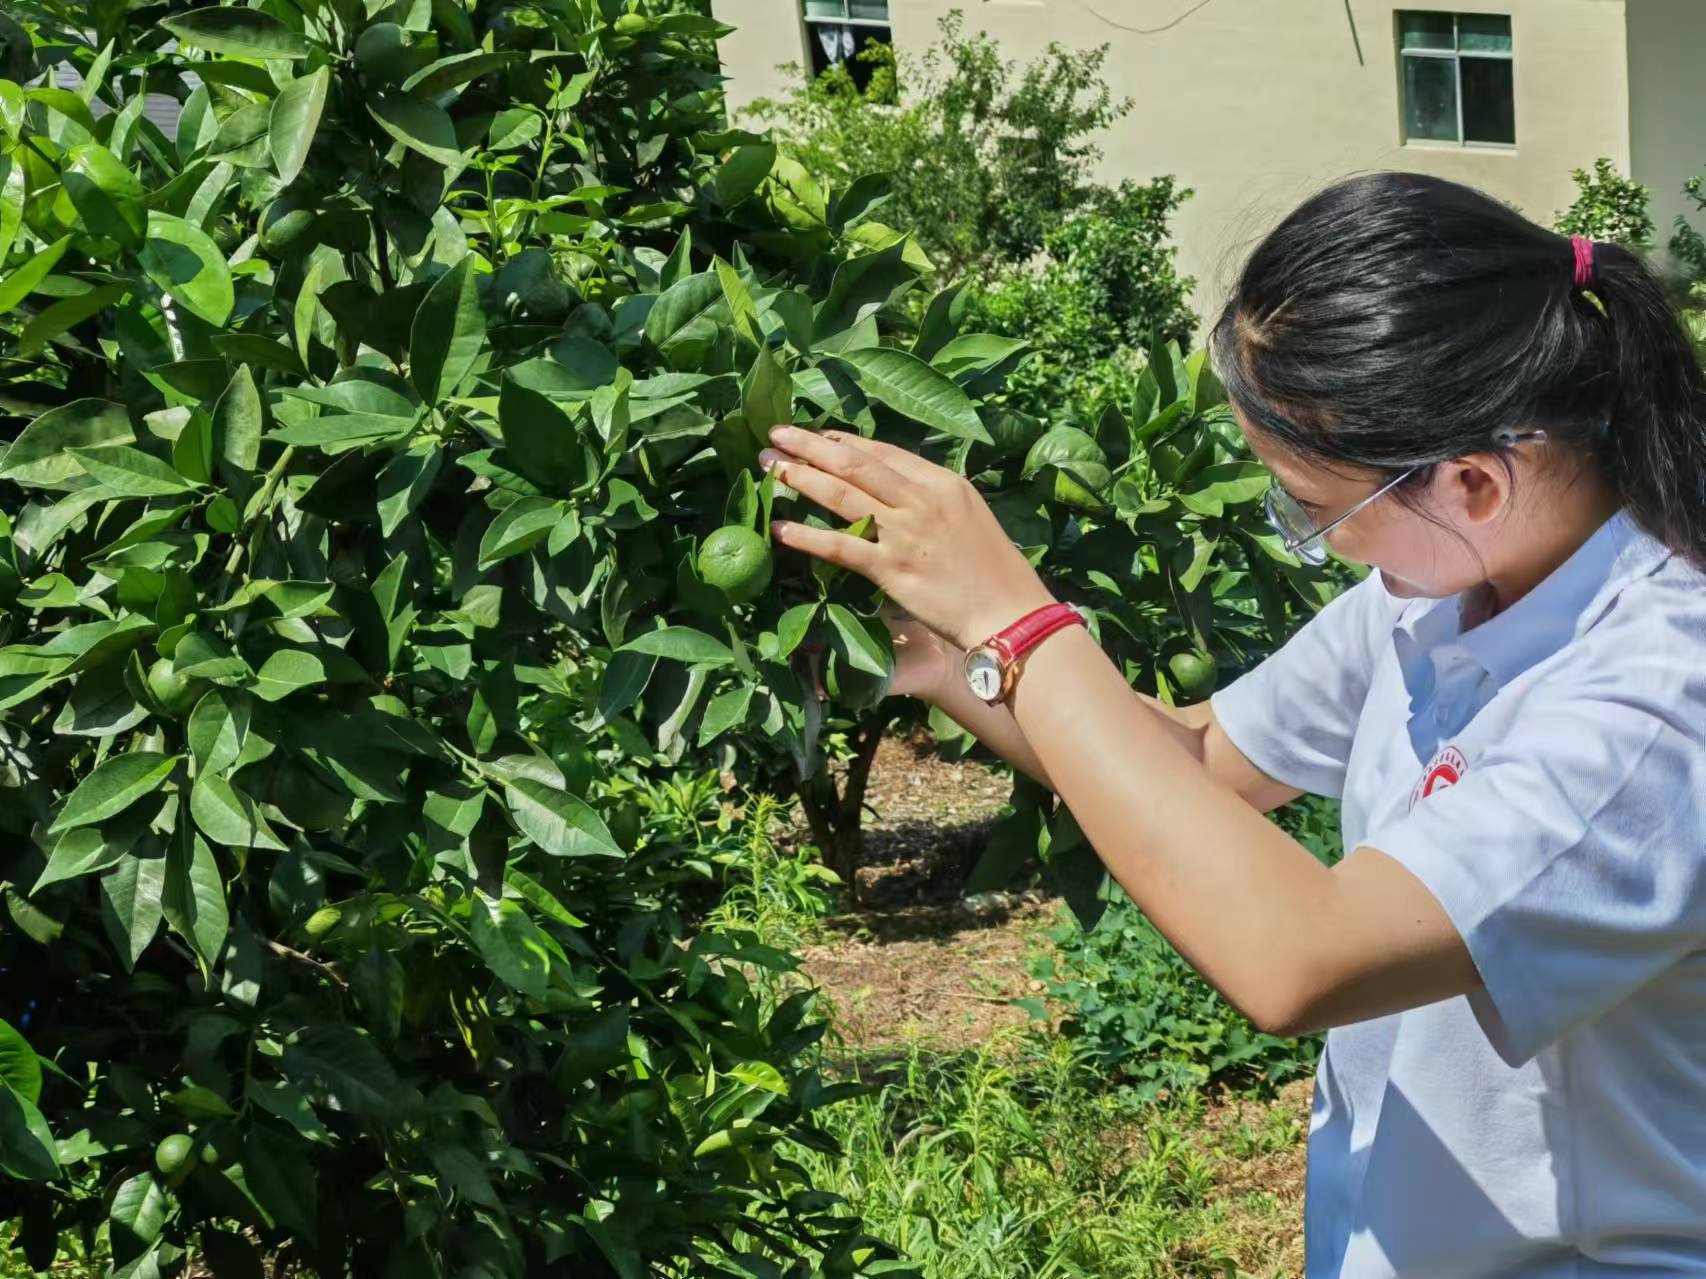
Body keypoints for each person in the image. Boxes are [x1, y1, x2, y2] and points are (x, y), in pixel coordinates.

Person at [752, 170, 1706, 1276]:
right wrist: (933, 655)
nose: (1314, 541)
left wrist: (1022, 622)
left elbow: (1297, 957)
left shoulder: (1654, 700)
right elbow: (1194, 761)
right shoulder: (1441, 593)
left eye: (1312, 510)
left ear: (1470, 483)